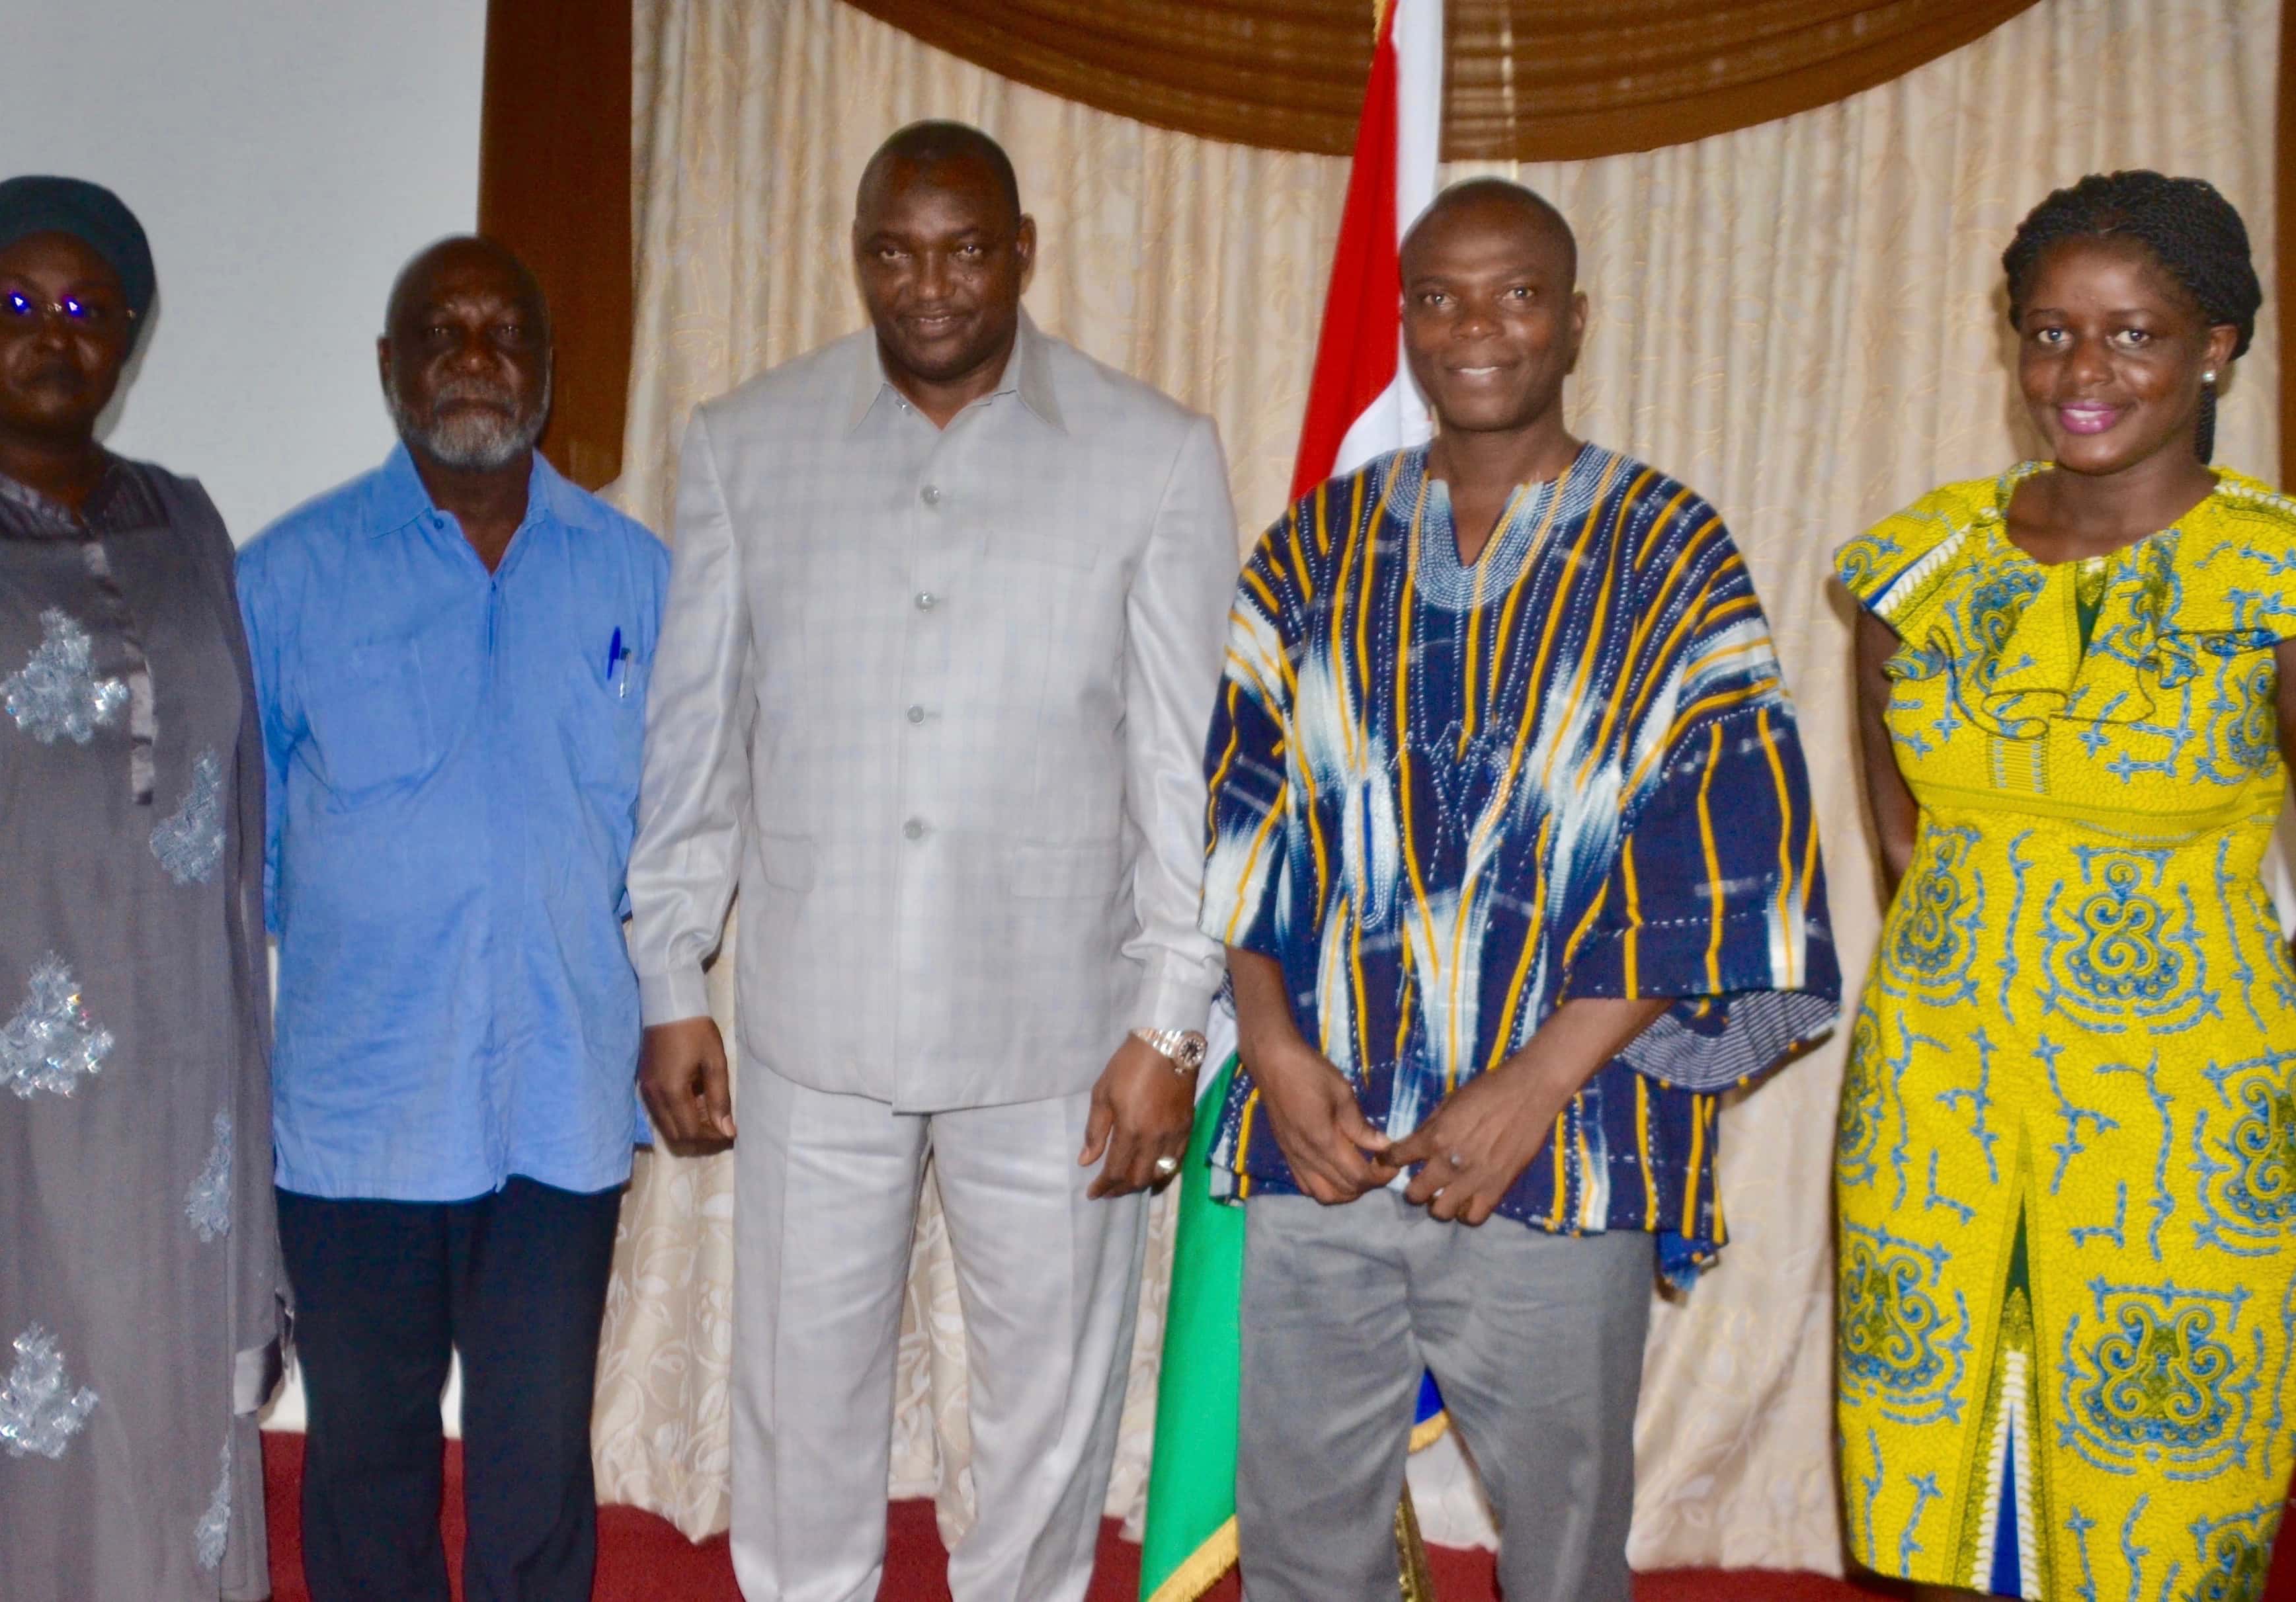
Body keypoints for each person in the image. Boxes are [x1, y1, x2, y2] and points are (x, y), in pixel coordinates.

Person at [1202, 179, 1841, 1602]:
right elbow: (1242, 825)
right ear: (1404, 321)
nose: (1471, 327)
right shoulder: (1311, 550)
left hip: (1564, 1147)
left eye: (1513, 293)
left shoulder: (1671, 552)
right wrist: (1268, 1042)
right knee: (1302, 1544)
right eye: (1435, 296)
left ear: (1573, 321)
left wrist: (1533, 1085)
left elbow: (1728, 860)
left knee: (1559, 1553)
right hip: (1327, 1136)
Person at [628, 120, 1238, 1601]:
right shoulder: (740, 446)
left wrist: (1169, 1020)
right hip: (812, 1025)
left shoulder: (1151, 457)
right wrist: (667, 974)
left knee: (1045, 1415)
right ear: (857, 258)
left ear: (1021, 250)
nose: (930, 285)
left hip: (1059, 1036)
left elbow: (1183, 770)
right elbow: (695, 736)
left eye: (965, 248)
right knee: (797, 1401)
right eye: (893, 251)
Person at [1836, 171, 2296, 1600]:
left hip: (2191, 1109)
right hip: (1934, 1096)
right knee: (1936, 1484)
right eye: (2046, 333)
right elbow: (1905, 842)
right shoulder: (1914, 570)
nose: (2078, 374)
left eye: (2130, 333)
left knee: (2169, 1497)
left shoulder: (2278, 579)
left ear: (2214, 343)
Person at [236, 237, 669, 1602]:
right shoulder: (285, 577)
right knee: (365, 1459)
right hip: (361, 1107)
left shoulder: (635, 578)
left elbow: (672, 838)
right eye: (442, 330)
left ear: (545, 367)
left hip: (558, 1103)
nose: (475, 356)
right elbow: (237, 849)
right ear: (388, 366)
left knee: (537, 1455)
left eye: (505, 331)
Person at [0, 175, 281, 1602]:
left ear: (128, 338)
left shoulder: (188, 522)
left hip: (175, 1079)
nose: (54, 334)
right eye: (14, 306)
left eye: (87, 308)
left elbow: (234, 819)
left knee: (163, 1401)